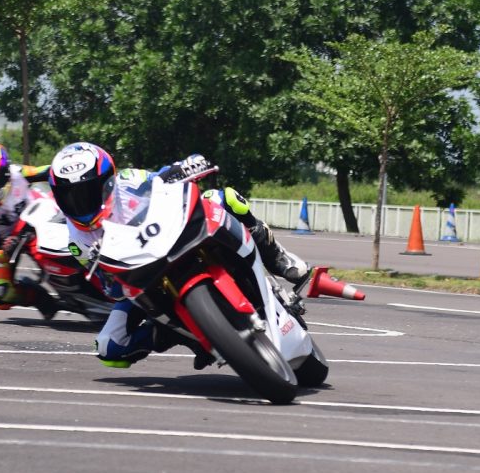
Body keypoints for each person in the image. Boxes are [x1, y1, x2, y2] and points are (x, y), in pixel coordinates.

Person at [46, 141, 310, 368]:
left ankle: (276, 255)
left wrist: (187, 166)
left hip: (169, 237)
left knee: (223, 198)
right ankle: (189, 335)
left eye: (88, 192)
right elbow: (110, 289)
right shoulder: (76, 240)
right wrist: (110, 278)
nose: (80, 203)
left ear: (109, 180)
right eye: (69, 197)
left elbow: (160, 179)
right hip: (141, 279)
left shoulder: (128, 180)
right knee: (109, 348)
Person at [0, 141, 59, 318]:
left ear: (5, 172)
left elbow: (51, 171)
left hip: (38, 224)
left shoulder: (18, 173)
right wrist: (4, 250)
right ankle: (41, 298)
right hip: (10, 243)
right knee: (2, 295)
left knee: (48, 255)